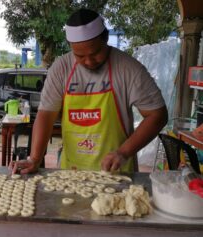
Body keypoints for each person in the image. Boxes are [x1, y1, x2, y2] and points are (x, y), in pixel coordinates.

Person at [10, 9, 168, 174]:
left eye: (95, 53)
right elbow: (46, 115)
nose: (88, 61)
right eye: (79, 56)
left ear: (106, 39)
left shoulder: (128, 68)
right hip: (71, 171)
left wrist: (123, 152)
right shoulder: (61, 69)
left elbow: (158, 115)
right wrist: (34, 158)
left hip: (117, 172)